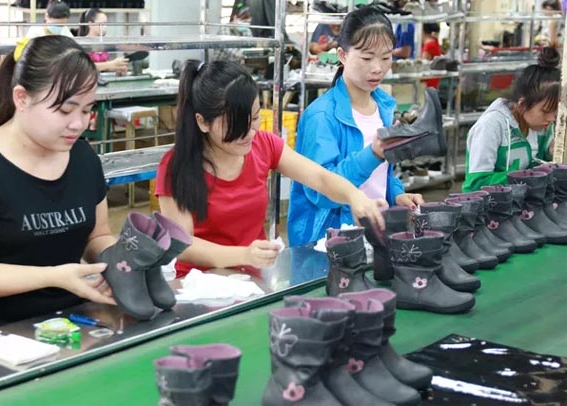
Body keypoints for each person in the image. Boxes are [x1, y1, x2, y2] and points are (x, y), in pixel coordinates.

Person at [0, 35, 116, 327]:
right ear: (21, 98)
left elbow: (97, 236)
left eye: (86, 110)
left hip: (71, 321)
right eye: (65, 110)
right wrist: (53, 276)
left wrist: (124, 259)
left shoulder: (83, 158)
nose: (78, 124)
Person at [155, 60, 387, 278]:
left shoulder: (264, 145)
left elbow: (319, 177)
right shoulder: (176, 166)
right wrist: (243, 255)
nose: (250, 132)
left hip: (252, 282)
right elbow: (183, 244)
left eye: (254, 118)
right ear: (203, 122)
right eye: (236, 126)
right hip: (199, 285)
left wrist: (354, 197)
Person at [288, 6, 424, 247]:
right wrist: (373, 154)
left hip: (373, 233)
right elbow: (321, 191)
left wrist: (397, 194)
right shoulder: (321, 116)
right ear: (342, 55)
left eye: (386, 57)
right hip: (328, 241)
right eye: (367, 58)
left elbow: (382, 174)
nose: (377, 68)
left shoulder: (383, 107)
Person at [463, 47, 559, 192]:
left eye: (555, 112)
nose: (551, 118)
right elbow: (475, 184)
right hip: (493, 203)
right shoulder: (491, 126)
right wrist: (526, 177)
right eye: (545, 111)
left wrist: (552, 153)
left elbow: (540, 160)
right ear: (522, 104)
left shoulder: (541, 125)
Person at [76, 8, 129, 73]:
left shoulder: (103, 43)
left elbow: (104, 68)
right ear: (90, 24)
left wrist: (116, 68)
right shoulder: (82, 43)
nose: (105, 27)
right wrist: (111, 64)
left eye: (106, 24)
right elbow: (84, 67)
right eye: (102, 24)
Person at [421, 22, 442, 88]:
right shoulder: (434, 41)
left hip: (427, 83)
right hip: (434, 81)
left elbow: (423, 65)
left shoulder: (428, 45)